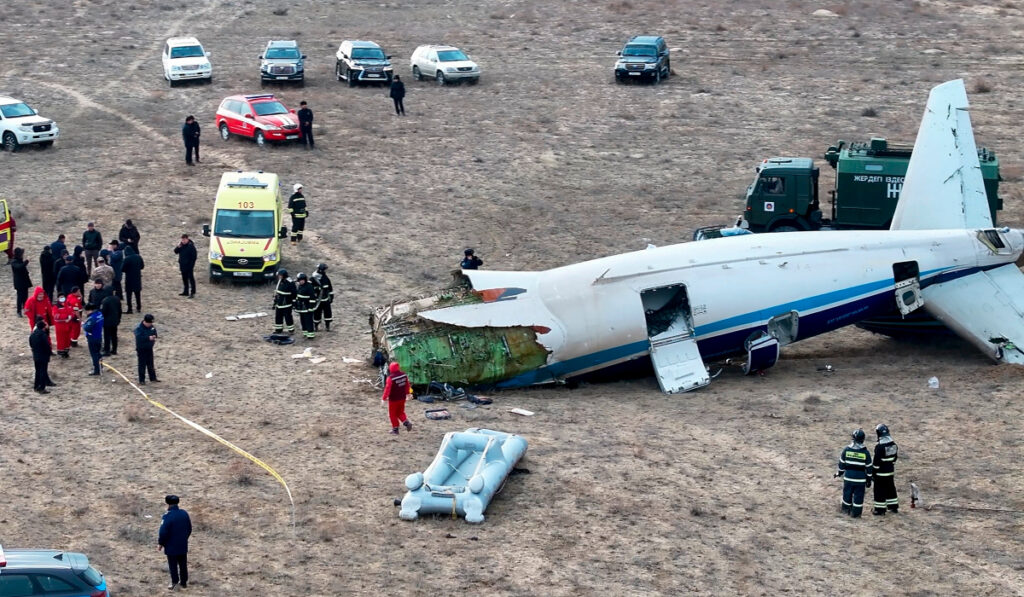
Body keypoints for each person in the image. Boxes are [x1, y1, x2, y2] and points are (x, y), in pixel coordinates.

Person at [836, 428, 873, 518]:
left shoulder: (846, 450)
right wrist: (869, 480)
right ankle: (856, 514)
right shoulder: (866, 452)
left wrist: (839, 473)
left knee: (847, 494)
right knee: (858, 497)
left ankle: (845, 510)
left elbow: (841, 464)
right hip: (860, 479)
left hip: (848, 477)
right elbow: (869, 468)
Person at [158, 494, 192, 591]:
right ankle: (184, 582)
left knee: (173, 564)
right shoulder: (184, 513)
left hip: (171, 545)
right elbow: (189, 528)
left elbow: (163, 532)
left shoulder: (167, 516)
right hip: (182, 543)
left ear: (168, 504)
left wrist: (161, 543)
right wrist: (184, 538)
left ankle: (174, 582)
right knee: (183, 563)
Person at [872, 424, 899, 515]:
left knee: (879, 491)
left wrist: (873, 472)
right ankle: (893, 507)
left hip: (880, 474)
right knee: (890, 489)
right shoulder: (894, 445)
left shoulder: (879, 447)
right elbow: (894, 458)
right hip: (890, 472)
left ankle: (880, 510)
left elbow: (876, 462)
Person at [381, 361, 413, 434]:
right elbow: (407, 385)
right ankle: (407, 423)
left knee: (392, 414)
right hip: (402, 398)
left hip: (393, 399)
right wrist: (408, 394)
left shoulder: (390, 378)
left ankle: (395, 429)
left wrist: (384, 398)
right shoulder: (404, 375)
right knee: (400, 412)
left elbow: (387, 389)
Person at [29, 317, 55, 394]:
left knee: (37, 371)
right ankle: (42, 388)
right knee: (43, 371)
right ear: (43, 327)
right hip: (43, 356)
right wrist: (49, 353)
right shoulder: (43, 335)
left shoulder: (33, 334)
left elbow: (30, 343)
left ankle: (36, 386)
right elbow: (47, 346)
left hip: (36, 355)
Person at [134, 313, 159, 384]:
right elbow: (139, 338)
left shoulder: (151, 327)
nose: (150, 324)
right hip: (141, 349)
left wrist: (154, 336)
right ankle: (142, 380)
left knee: (150, 363)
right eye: (149, 323)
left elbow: (154, 332)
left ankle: (153, 378)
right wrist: (148, 338)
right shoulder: (139, 328)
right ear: (145, 321)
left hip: (149, 348)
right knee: (142, 364)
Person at [272, 269, 296, 334]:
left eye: (280, 275)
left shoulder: (290, 282)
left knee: (288, 317)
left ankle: (291, 330)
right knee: (278, 317)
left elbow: (294, 293)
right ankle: (278, 329)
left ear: (284, 275)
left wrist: (294, 303)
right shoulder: (280, 281)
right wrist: (275, 302)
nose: (279, 276)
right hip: (279, 303)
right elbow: (277, 291)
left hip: (286, 303)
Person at [83, 303, 104, 376]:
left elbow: (87, 328)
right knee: (98, 353)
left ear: (90, 310)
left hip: (92, 338)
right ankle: (101, 367)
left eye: (86, 311)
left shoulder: (92, 318)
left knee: (94, 354)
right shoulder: (100, 314)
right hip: (99, 337)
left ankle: (97, 370)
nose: (86, 313)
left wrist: (84, 324)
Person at [122, 245, 144, 314]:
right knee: (137, 294)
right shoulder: (138, 257)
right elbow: (142, 266)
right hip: (137, 278)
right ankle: (139, 307)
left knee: (129, 295)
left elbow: (122, 269)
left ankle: (130, 309)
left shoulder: (127, 259)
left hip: (129, 279)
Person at [294, 273, 316, 340]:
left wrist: (311, 307)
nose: (301, 281)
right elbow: (298, 296)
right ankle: (305, 333)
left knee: (308, 321)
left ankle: (311, 334)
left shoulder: (309, 286)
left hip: (307, 307)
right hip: (301, 307)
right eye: (300, 280)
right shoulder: (300, 286)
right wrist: (296, 305)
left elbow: (312, 298)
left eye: (302, 280)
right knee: (302, 320)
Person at [10, 247, 31, 316]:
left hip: (24, 281)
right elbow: (19, 267)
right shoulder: (14, 261)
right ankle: (19, 311)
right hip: (19, 282)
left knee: (25, 296)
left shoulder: (19, 260)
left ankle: (25, 308)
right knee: (20, 297)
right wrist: (26, 261)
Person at [100, 291, 122, 356]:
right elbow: (119, 310)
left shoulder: (105, 300)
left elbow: (103, 311)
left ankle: (107, 350)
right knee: (114, 336)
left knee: (107, 336)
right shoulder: (117, 299)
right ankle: (114, 350)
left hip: (107, 321)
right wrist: (118, 319)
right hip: (115, 321)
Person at [313, 262, 333, 331]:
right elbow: (310, 288)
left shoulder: (325, 277)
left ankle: (327, 326)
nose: (325, 271)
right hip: (317, 299)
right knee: (317, 313)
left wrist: (331, 295)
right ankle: (316, 326)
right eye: (324, 270)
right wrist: (317, 289)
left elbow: (330, 287)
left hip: (325, 299)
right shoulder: (313, 278)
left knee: (328, 313)